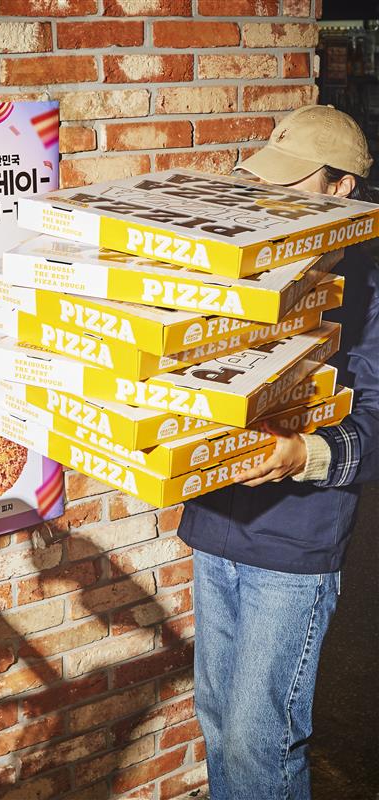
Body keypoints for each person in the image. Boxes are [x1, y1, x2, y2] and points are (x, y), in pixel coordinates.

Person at [177, 104, 379, 800]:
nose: (271, 194)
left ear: (342, 188)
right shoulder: (250, 264)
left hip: (294, 544)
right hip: (215, 522)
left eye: (292, 181)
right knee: (216, 721)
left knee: (260, 740)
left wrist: (306, 453)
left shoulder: (370, 288)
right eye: (267, 177)